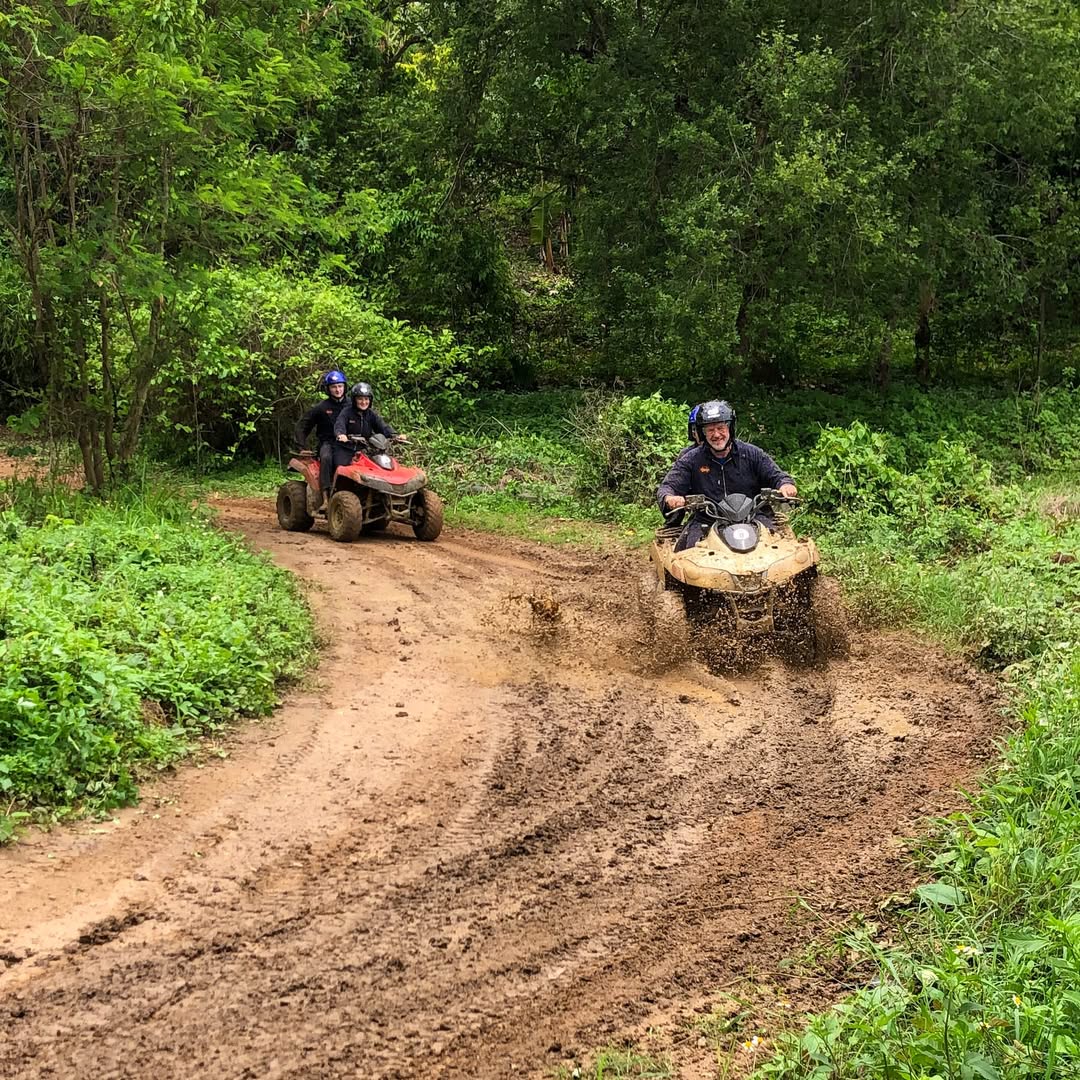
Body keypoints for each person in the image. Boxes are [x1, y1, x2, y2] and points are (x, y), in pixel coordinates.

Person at [656, 399, 797, 551]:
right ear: (703, 433)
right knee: (687, 552)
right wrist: (670, 498)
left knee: (782, 547)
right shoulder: (691, 459)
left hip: (753, 516)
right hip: (707, 520)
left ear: (730, 428)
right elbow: (668, 487)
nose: (716, 434)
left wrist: (786, 485)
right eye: (710, 430)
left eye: (720, 428)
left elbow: (777, 476)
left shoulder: (751, 453)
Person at [294, 370, 349, 507]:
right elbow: (302, 426)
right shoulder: (321, 408)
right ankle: (325, 497)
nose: (337, 390)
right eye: (334, 387)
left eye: (340, 386)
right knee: (326, 458)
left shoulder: (352, 406)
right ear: (328, 389)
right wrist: (302, 446)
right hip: (328, 443)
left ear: (345, 387)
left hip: (350, 443)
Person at [332, 382, 407, 473]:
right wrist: (341, 434)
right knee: (341, 467)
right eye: (360, 399)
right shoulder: (347, 412)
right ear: (354, 400)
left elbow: (383, 427)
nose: (363, 402)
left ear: (370, 400)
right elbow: (340, 424)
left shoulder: (371, 414)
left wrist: (395, 435)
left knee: (381, 468)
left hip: (365, 449)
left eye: (366, 399)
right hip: (346, 448)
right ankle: (335, 487)